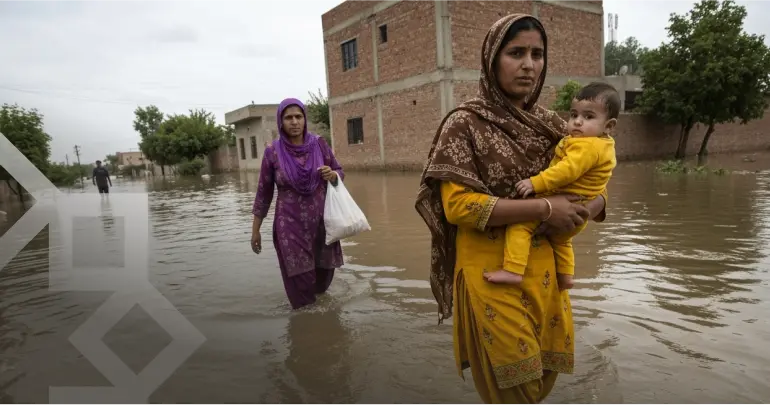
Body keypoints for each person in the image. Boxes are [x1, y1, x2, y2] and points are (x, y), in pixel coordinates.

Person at [414, 14, 609, 404]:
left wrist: (591, 207)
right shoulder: (464, 125)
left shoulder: (556, 125)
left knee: (543, 382)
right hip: (491, 272)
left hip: (547, 274)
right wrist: (543, 208)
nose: (529, 65)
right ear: (491, 58)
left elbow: (597, 183)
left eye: (537, 54)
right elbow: (457, 207)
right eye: (516, 52)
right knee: (514, 390)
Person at [498, 82, 619, 290]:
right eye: (573, 115)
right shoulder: (601, 145)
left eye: (588, 117)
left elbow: (566, 171)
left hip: (570, 204)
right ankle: (565, 278)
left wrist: (535, 183)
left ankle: (513, 270)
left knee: (519, 227)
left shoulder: (587, 146)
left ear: (608, 126)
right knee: (562, 242)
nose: (577, 122)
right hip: (578, 208)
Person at [251, 98, 344, 310]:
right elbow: (263, 194)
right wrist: (255, 231)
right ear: (280, 122)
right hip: (289, 226)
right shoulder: (272, 152)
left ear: (305, 119)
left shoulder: (319, 145)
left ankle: (324, 331)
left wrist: (333, 175)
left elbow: (339, 171)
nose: (294, 122)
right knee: (301, 281)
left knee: (323, 277)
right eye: (288, 117)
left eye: (298, 117)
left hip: (322, 223)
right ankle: (305, 328)